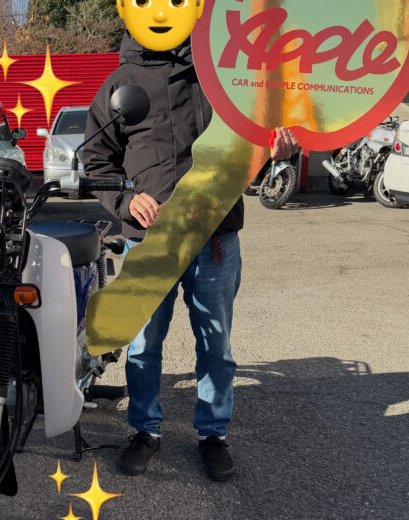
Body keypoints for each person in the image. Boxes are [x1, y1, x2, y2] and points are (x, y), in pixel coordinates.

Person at [83, 32, 298, 480]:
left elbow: (257, 141)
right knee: (143, 345)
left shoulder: (228, 75)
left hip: (215, 238)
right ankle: (144, 430)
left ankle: (213, 434)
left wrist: (277, 149)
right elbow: (97, 160)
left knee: (216, 345)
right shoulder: (122, 82)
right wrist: (126, 200)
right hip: (151, 241)